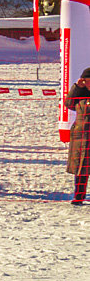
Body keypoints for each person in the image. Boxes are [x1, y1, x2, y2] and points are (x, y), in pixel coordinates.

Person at [65, 67, 90, 205]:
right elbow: (68, 104)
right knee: (81, 169)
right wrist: (76, 87)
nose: (88, 84)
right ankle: (79, 196)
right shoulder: (80, 94)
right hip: (80, 137)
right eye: (86, 81)